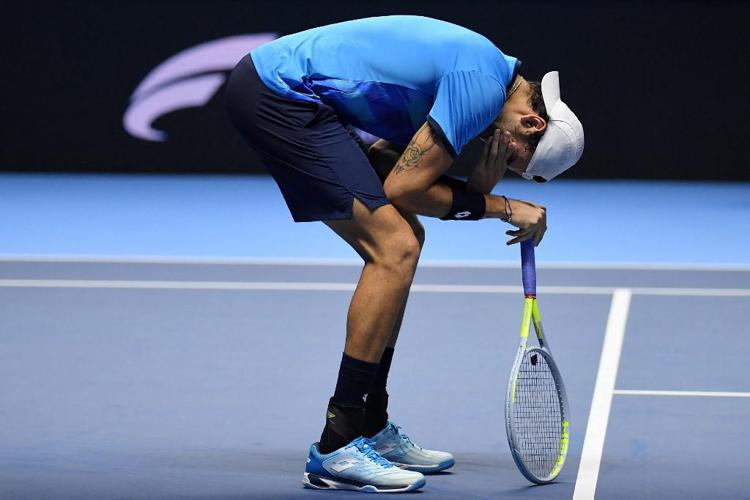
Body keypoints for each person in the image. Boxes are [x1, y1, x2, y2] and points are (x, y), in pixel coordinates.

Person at [225, 15, 583, 493]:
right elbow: (407, 187)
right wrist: (504, 207)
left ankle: (371, 421)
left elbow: (412, 191)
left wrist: (480, 193)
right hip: (282, 94)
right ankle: (336, 443)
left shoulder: (488, 75)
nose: (504, 159)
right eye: (517, 157)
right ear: (531, 121)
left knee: (405, 238)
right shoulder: (480, 86)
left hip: (312, 101)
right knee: (394, 247)